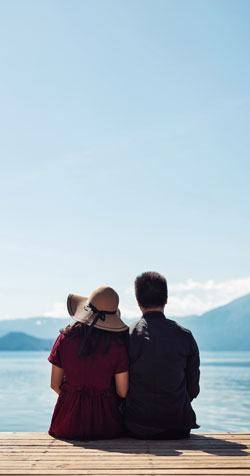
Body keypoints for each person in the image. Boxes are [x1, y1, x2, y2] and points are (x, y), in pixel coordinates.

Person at [124, 271, 200, 439]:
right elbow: (193, 388)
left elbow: (119, 386)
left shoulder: (127, 336)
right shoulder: (185, 335)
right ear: (166, 299)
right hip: (178, 426)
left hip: (136, 426)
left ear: (138, 302)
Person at [48, 286, 129, 440]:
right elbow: (122, 391)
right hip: (106, 425)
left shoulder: (65, 338)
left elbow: (54, 384)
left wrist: (75, 400)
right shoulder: (117, 346)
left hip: (66, 423)